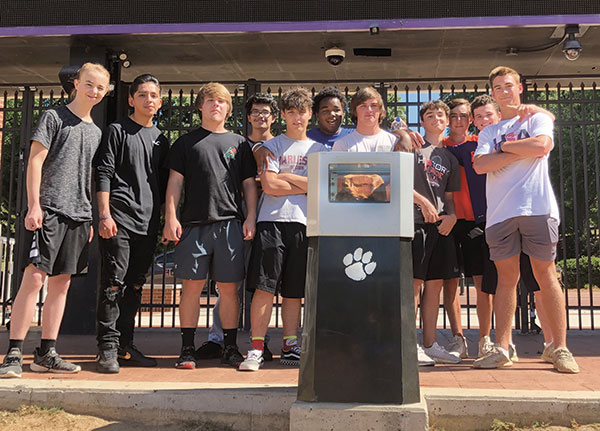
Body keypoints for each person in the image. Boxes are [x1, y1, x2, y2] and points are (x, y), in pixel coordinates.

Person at [0, 63, 110, 378]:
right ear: (76, 83)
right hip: (49, 210)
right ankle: (14, 353)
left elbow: (86, 175)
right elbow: (35, 160)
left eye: (100, 88)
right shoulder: (53, 117)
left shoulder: (95, 130)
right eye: (89, 84)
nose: (94, 91)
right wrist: (34, 206)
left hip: (79, 214)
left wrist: (90, 216)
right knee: (34, 279)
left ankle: (47, 353)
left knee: (61, 285)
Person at [472, 66, 579, 373]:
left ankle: (559, 348)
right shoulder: (488, 131)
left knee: (547, 277)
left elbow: (542, 145)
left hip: (538, 207)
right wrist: (519, 149)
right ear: (493, 93)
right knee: (507, 281)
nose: (504, 91)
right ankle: (502, 348)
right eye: (498, 87)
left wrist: (504, 147)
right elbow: (481, 165)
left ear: (519, 87)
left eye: (509, 85)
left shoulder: (537, 118)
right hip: (500, 214)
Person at [162, 82, 258, 369]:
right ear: (200, 106)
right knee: (190, 289)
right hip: (193, 225)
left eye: (221, 101)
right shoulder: (185, 143)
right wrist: (170, 217)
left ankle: (229, 347)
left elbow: (249, 185)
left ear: (228, 108)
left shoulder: (239, 143)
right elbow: (175, 183)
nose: (216, 105)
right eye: (210, 101)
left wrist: (251, 216)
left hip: (230, 225)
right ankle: (187, 348)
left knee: (229, 290)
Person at [240, 88, 325, 371]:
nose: (297, 117)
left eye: (302, 112)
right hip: (271, 222)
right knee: (264, 288)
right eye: (291, 112)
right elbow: (270, 186)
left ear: (310, 114)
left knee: (293, 291)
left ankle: (290, 345)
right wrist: (302, 181)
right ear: (284, 116)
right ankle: (255, 348)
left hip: (303, 224)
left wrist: (285, 176)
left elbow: (322, 187)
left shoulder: (319, 150)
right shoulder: (271, 146)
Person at [94, 74, 169, 373]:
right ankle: (107, 348)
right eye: (142, 95)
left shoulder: (161, 139)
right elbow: (103, 172)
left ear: (160, 102)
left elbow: (164, 184)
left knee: (135, 287)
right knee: (113, 284)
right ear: (131, 99)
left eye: (153, 95)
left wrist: (164, 221)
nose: (148, 100)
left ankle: (125, 344)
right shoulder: (117, 130)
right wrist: (103, 214)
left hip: (148, 223)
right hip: (118, 219)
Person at [197, 93, 278, 362]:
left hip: (272, 218)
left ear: (274, 117)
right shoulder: (237, 144)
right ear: (248, 116)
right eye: (255, 111)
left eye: (266, 112)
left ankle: (260, 341)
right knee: (228, 282)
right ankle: (218, 339)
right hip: (237, 216)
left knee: (261, 284)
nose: (260, 116)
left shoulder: (280, 146)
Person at [411, 100, 462, 365]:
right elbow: (396, 182)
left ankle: (430, 344)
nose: (435, 119)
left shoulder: (450, 158)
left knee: (435, 286)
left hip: (441, 227)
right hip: (415, 223)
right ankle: (410, 344)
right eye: (429, 115)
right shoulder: (412, 148)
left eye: (440, 115)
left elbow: (450, 198)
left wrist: (452, 216)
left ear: (446, 120)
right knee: (414, 285)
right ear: (422, 121)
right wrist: (422, 202)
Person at [331, 87, 396, 152]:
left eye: (374, 105)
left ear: (380, 110)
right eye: (363, 106)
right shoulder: (342, 145)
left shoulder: (393, 142)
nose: (369, 110)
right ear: (355, 111)